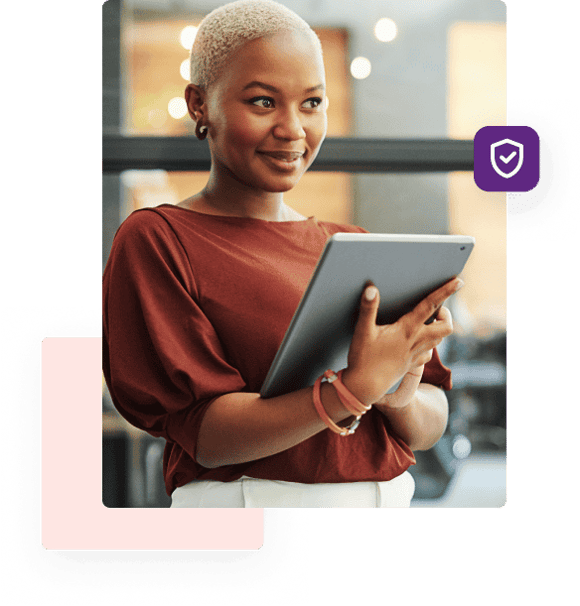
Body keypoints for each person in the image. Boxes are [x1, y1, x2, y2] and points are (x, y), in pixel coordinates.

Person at [102, 0, 462, 508]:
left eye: (311, 103)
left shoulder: (354, 244)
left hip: (389, 502)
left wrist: (396, 393)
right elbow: (208, 434)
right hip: (252, 517)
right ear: (199, 104)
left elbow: (431, 420)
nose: (294, 128)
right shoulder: (159, 239)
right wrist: (353, 390)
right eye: (264, 102)